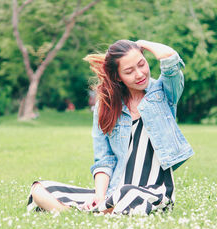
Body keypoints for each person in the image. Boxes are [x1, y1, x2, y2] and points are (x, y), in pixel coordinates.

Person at [27, 40, 194, 215]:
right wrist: (99, 196)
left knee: (128, 193)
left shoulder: (164, 92)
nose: (139, 74)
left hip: (152, 191)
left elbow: (170, 58)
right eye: (129, 71)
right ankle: (86, 212)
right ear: (117, 77)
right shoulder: (106, 106)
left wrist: (141, 44)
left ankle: (93, 212)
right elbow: (104, 159)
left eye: (141, 64)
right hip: (114, 191)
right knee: (39, 188)